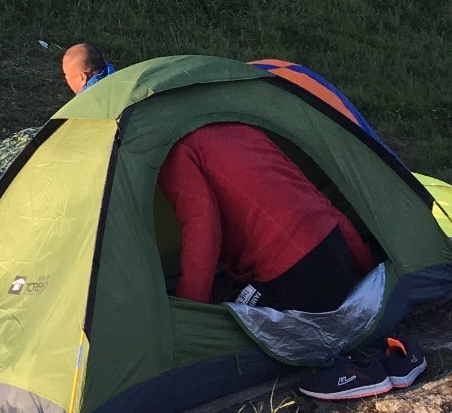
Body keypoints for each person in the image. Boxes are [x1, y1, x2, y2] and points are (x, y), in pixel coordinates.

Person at [158, 123, 374, 309]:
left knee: (226, 322)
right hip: (336, 255)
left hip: (294, 276)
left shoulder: (177, 152)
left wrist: (191, 307)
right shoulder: (243, 129)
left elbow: (202, 229)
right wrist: (365, 263)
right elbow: (316, 199)